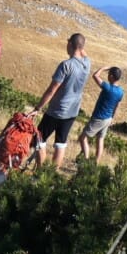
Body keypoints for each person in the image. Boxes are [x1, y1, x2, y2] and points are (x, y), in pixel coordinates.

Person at [27, 33, 91, 167]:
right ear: (81, 47)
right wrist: (78, 45)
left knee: (39, 138)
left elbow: (51, 90)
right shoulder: (87, 63)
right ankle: (51, 176)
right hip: (73, 111)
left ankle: (40, 172)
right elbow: (82, 51)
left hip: (56, 110)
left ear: (70, 45)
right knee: (61, 143)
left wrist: (37, 109)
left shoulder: (65, 65)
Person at [78, 66, 124, 164]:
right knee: (100, 139)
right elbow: (117, 106)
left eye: (108, 74)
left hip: (99, 117)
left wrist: (103, 68)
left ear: (111, 76)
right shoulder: (120, 91)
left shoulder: (107, 87)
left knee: (82, 137)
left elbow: (95, 76)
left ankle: (85, 161)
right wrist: (112, 118)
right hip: (108, 119)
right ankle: (96, 163)